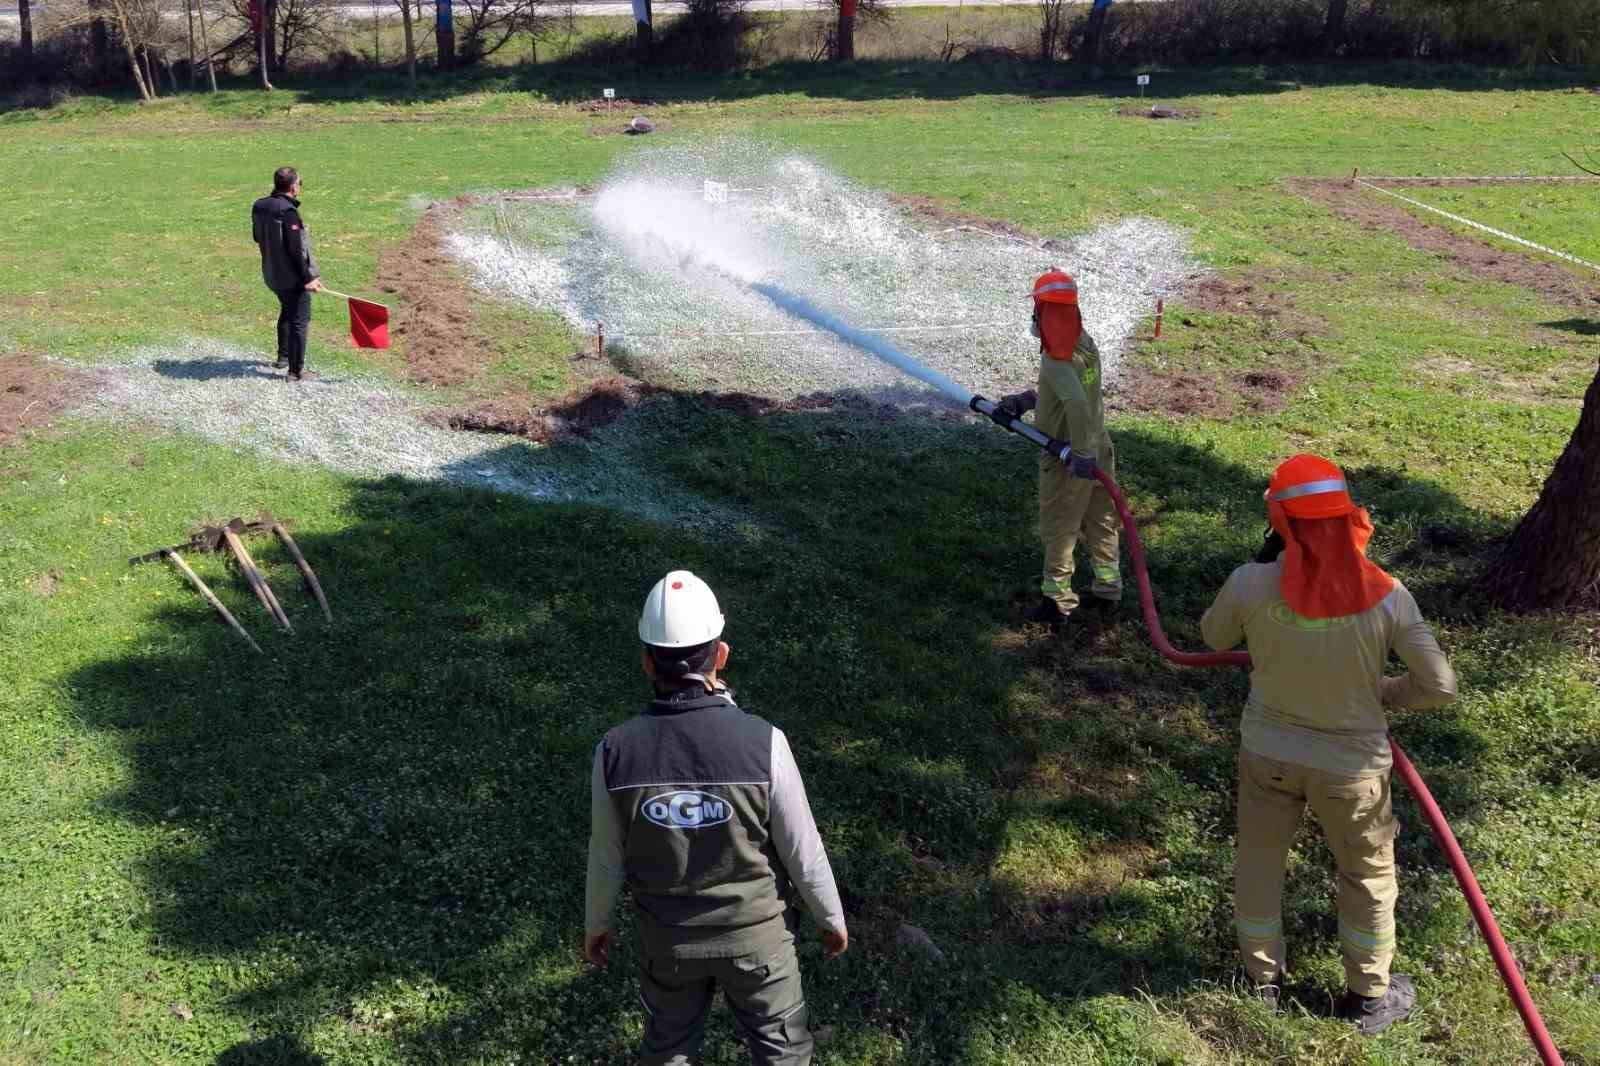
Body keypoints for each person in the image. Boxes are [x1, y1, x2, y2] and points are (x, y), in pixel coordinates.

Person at [1200, 454, 1458, 1034]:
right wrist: (1387, 690)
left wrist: (1261, 573)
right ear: (1347, 517)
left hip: (1268, 754)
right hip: (1352, 769)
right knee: (1366, 873)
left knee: (1260, 863)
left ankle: (1260, 982)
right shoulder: (1389, 595)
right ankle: (1369, 996)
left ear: (1280, 521)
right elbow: (1439, 689)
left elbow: (1212, 636)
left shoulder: (1250, 582)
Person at [585, 570, 848, 1066]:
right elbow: (802, 849)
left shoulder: (614, 752)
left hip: (668, 945)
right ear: (720, 655)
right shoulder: (765, 742)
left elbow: (605, 857)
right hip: (760, 944)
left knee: (668, 1050)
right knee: (783, 1054)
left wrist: (595, 924)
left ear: (646, 661)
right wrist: (829, 917)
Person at [992, 268, 1122, 626]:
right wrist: (1029, 399)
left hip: (1070, 461)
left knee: (1059, 528)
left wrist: (1077, 453)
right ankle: (1108, 589)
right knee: (1102, 522)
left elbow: (1076, 402)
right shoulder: (1084, 343)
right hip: (1101, 449)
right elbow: (1071, 394)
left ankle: (1057, 602)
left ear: (1043, 311)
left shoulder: (1055, 358)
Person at [251, 167, 323, 382]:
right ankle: (295, 371)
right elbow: (294, 251)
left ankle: (283, 357)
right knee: (299, 319)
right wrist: (308, 279)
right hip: (290, 278)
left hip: (271, 274)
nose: (300, 187)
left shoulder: (259, 206)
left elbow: (257, 237)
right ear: (293, 187)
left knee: (287, 309)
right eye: (300, 183)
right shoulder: (288, 212)